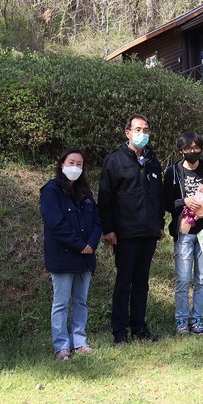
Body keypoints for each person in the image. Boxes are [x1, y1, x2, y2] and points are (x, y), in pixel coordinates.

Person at [98, 114, 164, 344]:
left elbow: (158, 196)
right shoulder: (115, 160)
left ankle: (139, 327)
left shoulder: (153, 161)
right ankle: (119, 332)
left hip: (148, 232)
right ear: (127, 132)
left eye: (146, 130)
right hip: (125, 233)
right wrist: (108, 229)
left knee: (142, 283)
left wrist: (159, 225)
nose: (142, 134)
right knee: (124, 283)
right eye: (137, 129)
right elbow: (105, 197)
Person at [40, 147, 102, 360]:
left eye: (79, 164)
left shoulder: (85, 192)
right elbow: (55, 224)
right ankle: (61, 347)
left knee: (81, 301)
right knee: (61, 302)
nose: (75, 167)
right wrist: (79, 245)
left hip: (85, 255)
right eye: (71, 162)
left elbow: (96, 220)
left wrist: (91, 243)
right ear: (61, 164)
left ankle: (79, 342)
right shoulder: (51, 191)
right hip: (63, 256)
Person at [163, 132, 203, 335]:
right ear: (181, 150)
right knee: (182, 278)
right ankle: (181, 321)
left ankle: (197, 320)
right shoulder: (172, 172)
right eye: (188, 149)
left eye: (196, 148)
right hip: (184, 232)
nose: (192, 152)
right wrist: (183, 202)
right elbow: (165, 202)